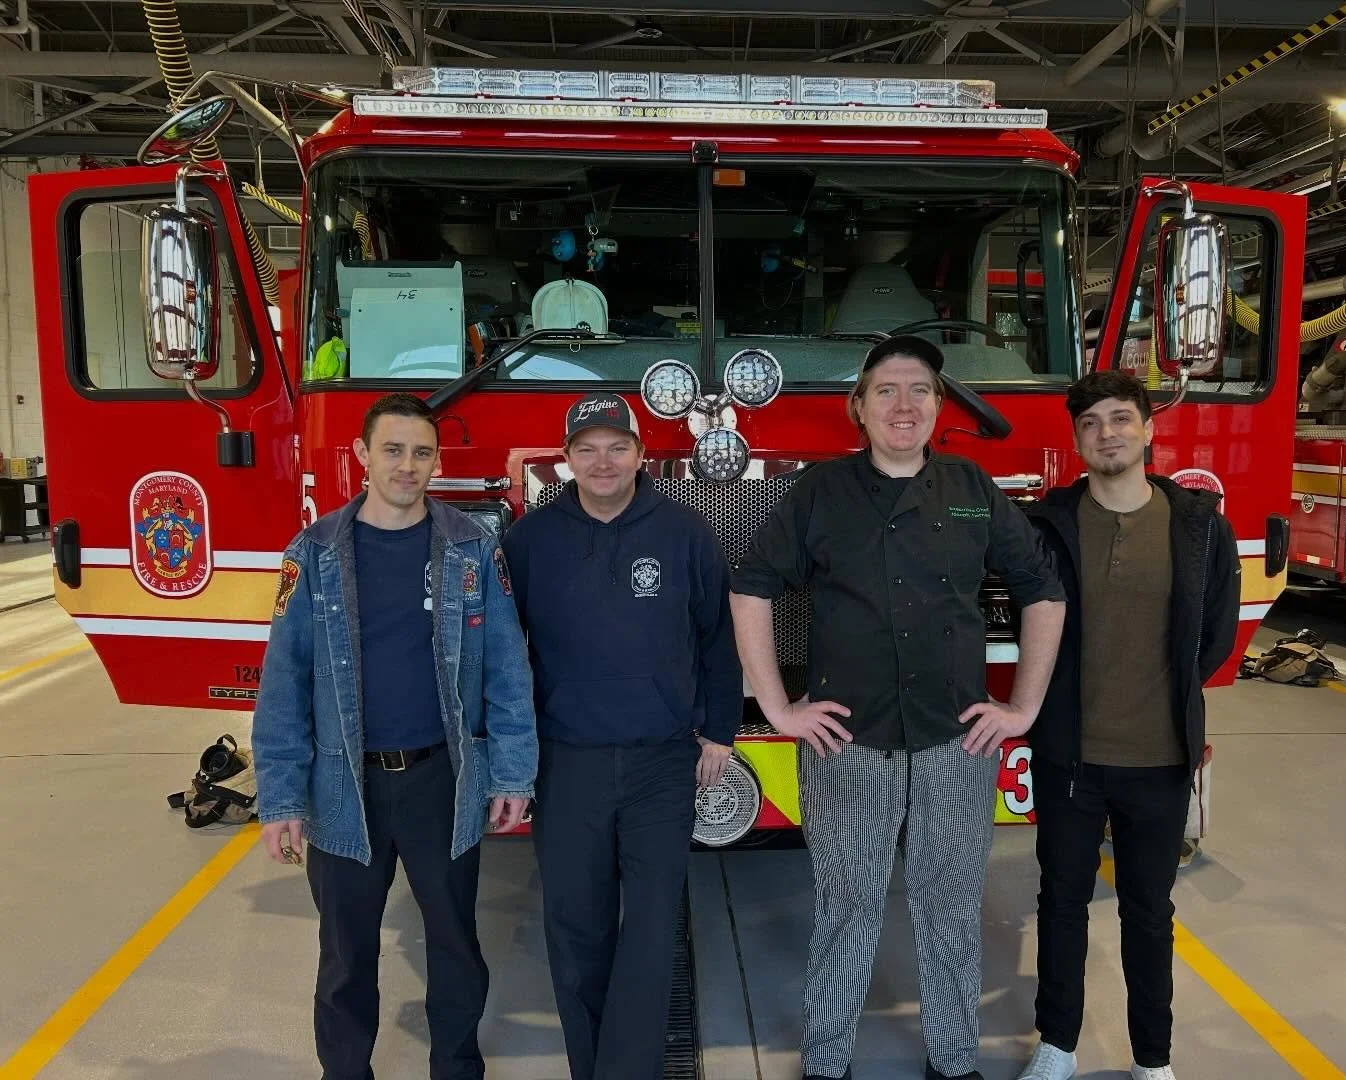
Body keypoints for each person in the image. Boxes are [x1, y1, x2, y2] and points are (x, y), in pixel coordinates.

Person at [729, 337, 1067, 1080]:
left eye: (919, 390)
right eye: (886, 390)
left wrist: (1023, 708)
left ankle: (953, 1062)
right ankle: (826, 1063)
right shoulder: (819, 492)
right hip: (848, 744)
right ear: (860, 408)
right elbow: (750, 588)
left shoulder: (974, 488)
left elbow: (1044, 591)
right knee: (846, 907)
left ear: (941, 407)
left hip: (958, 744)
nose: (904, 404)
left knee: (950, 910)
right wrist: (777, 708)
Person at [251, 392, 537, 1080]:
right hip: (343, 788)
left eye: (421, 452)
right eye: (393, 450)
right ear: (362, 456)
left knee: (455, 944)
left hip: (443, 782)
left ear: (436, 461)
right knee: (346, 954)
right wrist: (281, 797)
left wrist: (511, 775)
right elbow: (283, 685)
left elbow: (507, 666)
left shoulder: (472, 548)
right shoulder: (312, 554)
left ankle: (457, 1067)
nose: (407, 466)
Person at [501, 392, 742, 1080]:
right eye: (586, 448)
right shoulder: (530, 540)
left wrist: (719, 729)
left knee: (651, 929)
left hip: (662, 763)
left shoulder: (686, 533)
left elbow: (717, 639)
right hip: (565, 762)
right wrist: (507, 755)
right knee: (576, 930)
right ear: (566, 459)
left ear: (641, 454)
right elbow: (497, 654)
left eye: (616, 446)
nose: (602, 461)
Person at [1015, 370, 1241, 1080]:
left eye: (1120, 418)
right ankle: (1056, 1047)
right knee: (1062, 905)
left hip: (1159, 759)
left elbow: (1214, 635)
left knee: (1149, 914)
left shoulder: (1200, 526)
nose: (1106, 432)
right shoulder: (1048, 524)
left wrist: (1164, 705)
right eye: (1091, 423)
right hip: (1069, 758)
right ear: (1077, 439)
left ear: (1148, 429)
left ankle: (1153, 1059)